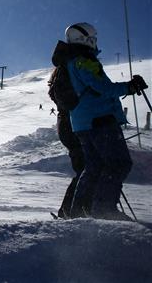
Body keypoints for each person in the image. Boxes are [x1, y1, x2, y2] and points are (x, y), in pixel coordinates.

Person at [62, 22, 147, 220]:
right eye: (92, 39)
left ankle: (78, 212)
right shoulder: (84, 60)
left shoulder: (71, 61)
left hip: (83, 123)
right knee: (118, 163)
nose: (94, 43)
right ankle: (104, 209)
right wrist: (130, 87)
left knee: (94, 166)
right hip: (99, 120)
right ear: (84, 40)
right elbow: (103, 88)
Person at [49, 39, 92, 219]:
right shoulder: (71, 66)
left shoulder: (64, 66)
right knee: (88, 167)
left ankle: (75, 210)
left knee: (87, 167)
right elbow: (67, 99)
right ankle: (74, 211)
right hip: (74, 125)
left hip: (70, 124)